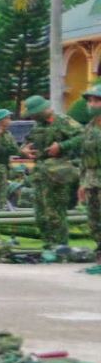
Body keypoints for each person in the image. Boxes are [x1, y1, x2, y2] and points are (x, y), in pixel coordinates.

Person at [20, 95, 85, 248]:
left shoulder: (63, 121)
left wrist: (61, 146)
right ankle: (49, 244)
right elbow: (26, 142)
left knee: (56, 213)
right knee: (40, 215)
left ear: (43, 110)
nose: (33, 117)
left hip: (59, 173)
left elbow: (82, 136)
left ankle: (61, 246)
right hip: (41, 175)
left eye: (35, 114)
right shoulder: (37, 126)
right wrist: (23, 150)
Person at [68, 83, 101, 243]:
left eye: (96, 101)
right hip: (92, 181)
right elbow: (84, 159)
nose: (92, 105)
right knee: (94, 220)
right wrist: (82, 183)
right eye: (90, 101)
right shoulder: (89, 128)